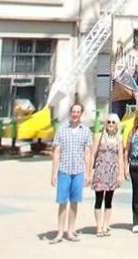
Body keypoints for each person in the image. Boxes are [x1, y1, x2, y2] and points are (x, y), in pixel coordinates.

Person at [50, 102, 92, 243]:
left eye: (78, 112)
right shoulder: (62, 129)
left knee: (74, 201)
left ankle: (70, 230)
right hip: (64, 170)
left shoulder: (85, 131)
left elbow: (87, 153)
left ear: (81, 114)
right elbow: (56, 152)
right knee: (62, 201)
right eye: (73, 111)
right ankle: (60, 232)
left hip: (78, 170)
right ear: (70, 113)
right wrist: (54, 173)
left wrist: (88, 173)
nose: (75, 114)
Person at [91, 113, 125, 237]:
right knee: (99, 199)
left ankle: (105, 225)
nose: (110, 124)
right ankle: (98, 226)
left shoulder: (119, 138)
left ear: (117, 125)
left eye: (113, 122)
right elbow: (93, 154)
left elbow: (120, 157)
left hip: (112, 172)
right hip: (100, 171)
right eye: (109, 122)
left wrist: (120, 174)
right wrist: (89, 172)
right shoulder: (99, 136)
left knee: (109, 200)